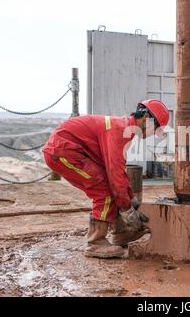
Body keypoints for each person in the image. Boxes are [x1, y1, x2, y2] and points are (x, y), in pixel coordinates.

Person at [43, 99, 169, 259]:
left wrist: (130, 200)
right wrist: (127, 209)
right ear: (146, 120)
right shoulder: (119, 130)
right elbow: (115, 176)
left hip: (73, 151)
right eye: (156, 129)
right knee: (104, 191)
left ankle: (120, 233)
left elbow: (118, 173)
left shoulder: (124, 129)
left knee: (112, 188)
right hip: (63, 151)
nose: (154, 134)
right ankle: (95, 243)